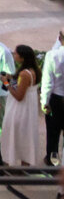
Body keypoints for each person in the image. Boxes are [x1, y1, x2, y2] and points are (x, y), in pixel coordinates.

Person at [1, 44, 42, 165]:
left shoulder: (24, 74)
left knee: (15, 134)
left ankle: (14, 164)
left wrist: (6, 82)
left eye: (16, 53)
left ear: (22, 57)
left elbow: (19, 96)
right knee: (26, 135)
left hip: (20, 109)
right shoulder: (34, 70)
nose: (13, 54)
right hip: (28, 108)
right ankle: (25, 166)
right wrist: (12, 78)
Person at [45, 30, 64, 164]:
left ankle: (53, 162)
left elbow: (47, 82)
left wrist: (44, 102)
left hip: (56, 100)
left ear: (59, 38)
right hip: (58, 97)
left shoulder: (52, 55)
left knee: (53, 133)